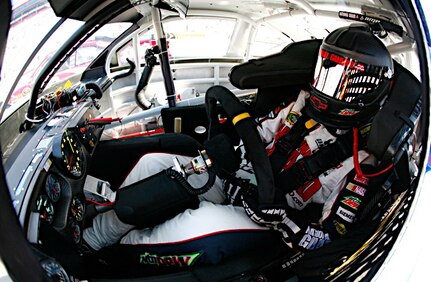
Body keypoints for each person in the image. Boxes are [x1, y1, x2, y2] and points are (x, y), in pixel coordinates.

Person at [83, 24, 395, 260]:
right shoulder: (302, 103)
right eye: (328, 72)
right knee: (156, 164)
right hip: (239, 180)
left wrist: (282, 219)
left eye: (343, 81)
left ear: (365, 92)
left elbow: (326, 239)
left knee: (199, 222)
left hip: (270, 220)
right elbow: (259, 133)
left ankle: (118, 256)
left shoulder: (362, 166)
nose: (328, 87)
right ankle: (95, 235)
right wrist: (229, 151)